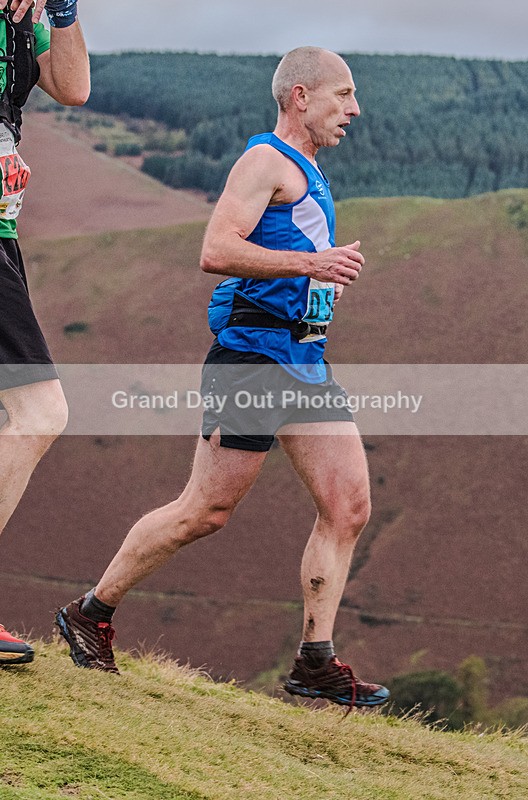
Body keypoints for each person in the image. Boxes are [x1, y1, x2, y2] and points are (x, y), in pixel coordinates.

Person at [56, 46, 389, 710]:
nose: (353, 109)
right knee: (205, 511)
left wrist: (317, 280)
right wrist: (313, 266)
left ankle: (314, 661)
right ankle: (90, 613)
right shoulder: (265, 160)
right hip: (251, 361)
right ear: (299, 95)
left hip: (302, 361)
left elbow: (293, 258)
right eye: (342, 94)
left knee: (349, 507)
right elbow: (216, 249)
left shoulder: (308, 169)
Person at [0, 0, 89, 665]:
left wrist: (63, 12)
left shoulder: (24, 19)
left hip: (4, 235)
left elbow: (74, 86)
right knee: (38, 409)